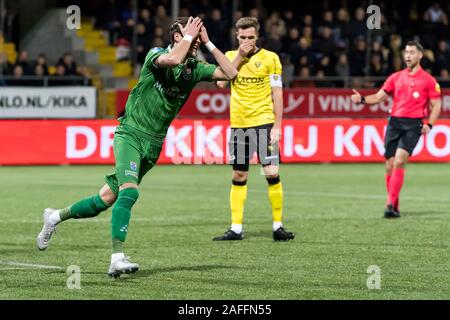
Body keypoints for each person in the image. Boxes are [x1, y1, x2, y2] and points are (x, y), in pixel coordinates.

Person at [36, 17, 238, 278]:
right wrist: (189, 37)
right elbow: (173, 60)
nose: (196, 38)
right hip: (130, 133)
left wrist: (209, 42)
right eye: (191, 33)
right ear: (177, 36)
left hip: (153, 144)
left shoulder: (196, 68)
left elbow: (232, 74)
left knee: (105, 199)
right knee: (129, 193)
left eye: (198, 34)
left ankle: (54, 217)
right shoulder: (156, 55)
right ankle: (116, 259)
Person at [213, 17, 294, 241]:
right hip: (239, 124)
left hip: (264, 122)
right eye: (242, 37)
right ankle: (236, 228)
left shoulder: (271, 58)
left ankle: (278, 226)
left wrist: (278, 125)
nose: (247, 41)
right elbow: (220, 83)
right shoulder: (230, 57)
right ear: (236, 37)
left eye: (250, 37)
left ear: (257, 36)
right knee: (239, 174)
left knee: (271, 172)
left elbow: (277, 93)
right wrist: (240, 55)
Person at [351, 40, 441, 218]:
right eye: (406, 52)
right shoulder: (396, 77)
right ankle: (395, 206)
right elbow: (378, 97)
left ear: (420, 55)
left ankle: (389, 204)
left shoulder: (429, 80)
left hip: (413, 125)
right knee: (389, 165)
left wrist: (429, 124)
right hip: (394, 123)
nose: (408, 56)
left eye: (412, 52)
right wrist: (361, 99)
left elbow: (436, 105)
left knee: (399, 161)